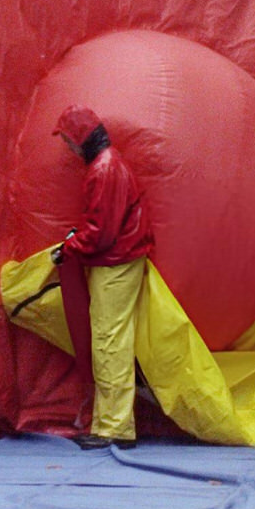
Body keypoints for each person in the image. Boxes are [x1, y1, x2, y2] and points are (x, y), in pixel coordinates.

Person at [51, 104, 155, 451]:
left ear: (81, 139)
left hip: (114, 264)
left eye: (68, 140)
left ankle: (115, 427)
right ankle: (112, 423)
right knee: (113, 342)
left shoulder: (103, 170)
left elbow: (100, 232)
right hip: (119, 261)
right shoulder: (110, 165)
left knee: (109, 343)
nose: (67, 147)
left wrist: (67, 249)